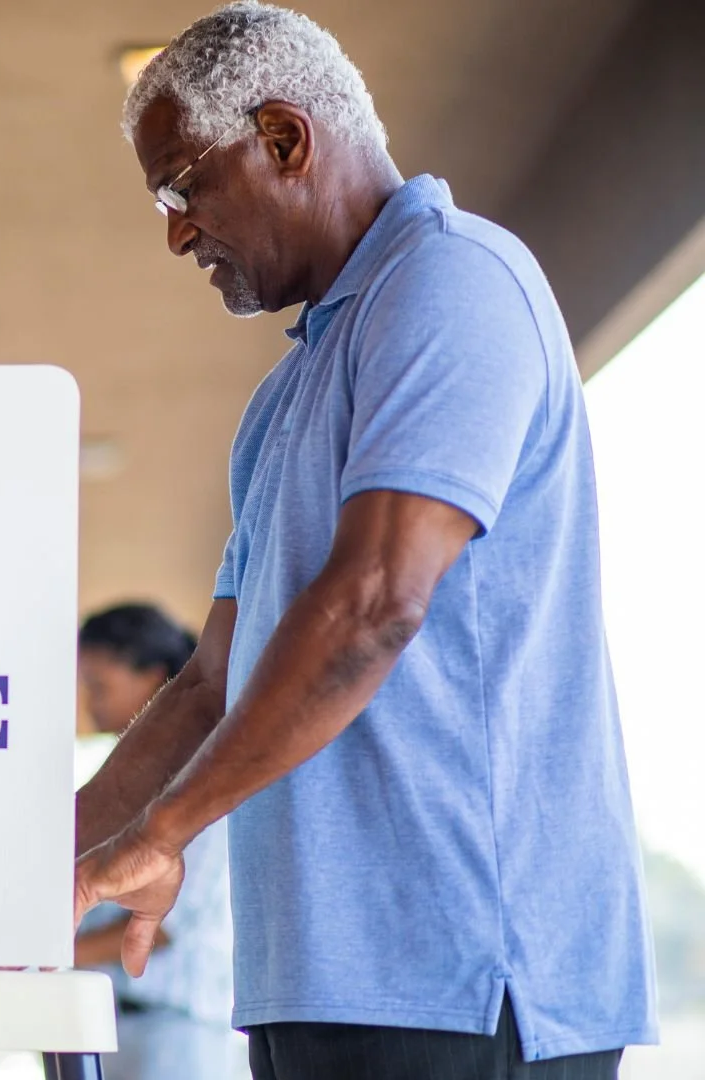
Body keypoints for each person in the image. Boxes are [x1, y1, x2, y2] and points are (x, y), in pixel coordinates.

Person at [72, 4, 658, 1079]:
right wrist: (45, 866)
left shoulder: (451, 283)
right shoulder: (286, 395)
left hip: (470, 976)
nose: (176, 231)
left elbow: (377, 603)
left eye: (182, 185)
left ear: (286, 139)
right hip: (319, 977)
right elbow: (211, 685)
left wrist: (161, 835)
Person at [76, 604, 244, 1080]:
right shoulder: (115, 785)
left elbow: (171, 923)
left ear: (152, 679)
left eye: (98, 687)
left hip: (175, 1031)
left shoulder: (203, 775)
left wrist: (50, 954)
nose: (89, 705)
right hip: (114, 1022)